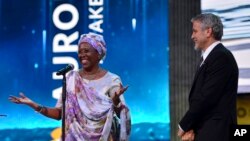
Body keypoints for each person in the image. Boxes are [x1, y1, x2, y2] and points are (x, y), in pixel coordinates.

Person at [9, 32, 131, 141]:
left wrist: (115, 103)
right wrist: (33, 104)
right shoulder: (71, 78)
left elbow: (122, 113)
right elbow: (58, 114)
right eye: (80, 51)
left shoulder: (111, 80)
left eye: (86, 51)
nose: (82, 54)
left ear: (99, 53)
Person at [177, 13, 238, 141]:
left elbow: (207, 97)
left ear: (208, 31)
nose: (192, 36)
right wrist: (192, 127)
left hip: (218, 132)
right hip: (207, 131)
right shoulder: (209, 58)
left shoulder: (221, 57)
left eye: (195, 31)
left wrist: (184, 125)